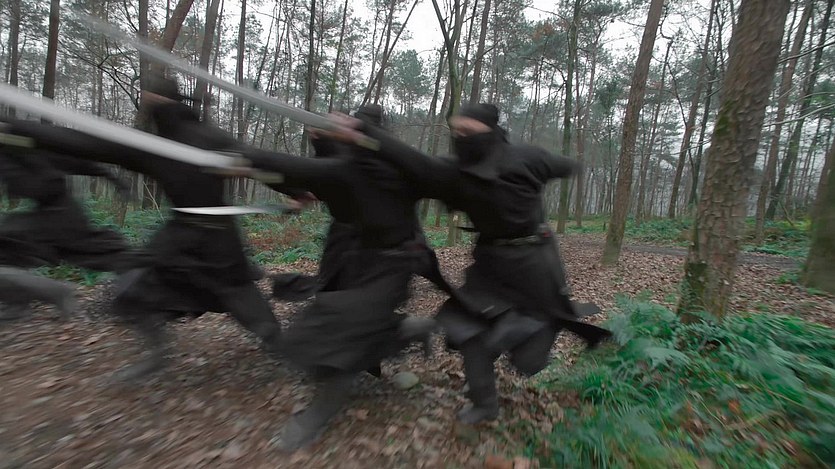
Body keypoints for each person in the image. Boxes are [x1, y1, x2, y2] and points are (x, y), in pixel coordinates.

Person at [328, 103, 611, 424]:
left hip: (534, 265)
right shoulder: (455, 172)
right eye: (456, 131)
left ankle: (539, 338)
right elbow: (412, 160)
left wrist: (546, 173)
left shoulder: (527, 158)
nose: (460, 137)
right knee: (468, 330)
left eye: (468, 130)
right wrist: (362, 133)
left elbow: (567, 166)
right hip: (489, 265)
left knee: (527, 355)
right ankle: (484, 403)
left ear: (491, 130)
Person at [2, 74, 286, 382]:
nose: (145, 102)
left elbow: (261, 164)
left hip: (219, 244)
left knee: (248, 307)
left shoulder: (207, 137)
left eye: (148, 96)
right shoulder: (151, 146)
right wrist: (14, 128)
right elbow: (87, 144)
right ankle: (157, 357)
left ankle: (289, 355)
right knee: (135, 291)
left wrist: (293, 190)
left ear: (158, 99)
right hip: (179, 237)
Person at [243, 105, 457, 452]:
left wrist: (246, 156)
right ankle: (407, 329)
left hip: (392, 269)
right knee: (342, 323)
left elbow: (434, 173)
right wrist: (249, 159)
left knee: (342, 334)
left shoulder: (404, 168)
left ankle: (318, 414)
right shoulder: (346, 166)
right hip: (354, 256)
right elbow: (301, 171)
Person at [0, 145, 137, 320]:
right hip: (51, 214)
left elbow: (70, 161)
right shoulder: (9, 149)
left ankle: (57, 293)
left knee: (110, 254)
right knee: (7, 248)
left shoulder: (21, 143)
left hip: (62, 217)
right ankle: (19, 302)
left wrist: (113, 178)